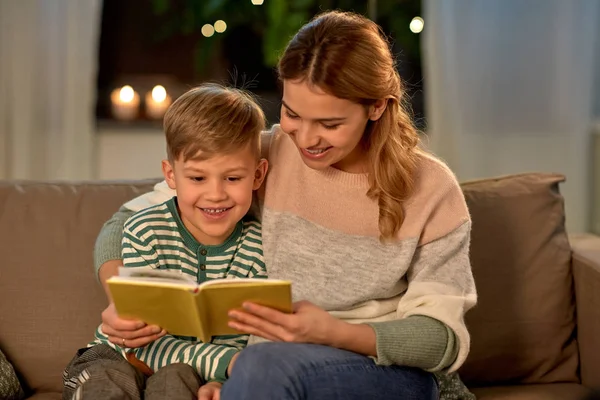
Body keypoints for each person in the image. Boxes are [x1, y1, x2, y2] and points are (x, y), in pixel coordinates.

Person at [94, 10, 477, 400]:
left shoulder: (431, 189)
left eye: (329, 123)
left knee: (264, 365)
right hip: (264, 370)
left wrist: (330, 332)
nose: (306, 138)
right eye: (292, 113)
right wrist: (125, 301)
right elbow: (126, 221)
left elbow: (441, 339)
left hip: (378, 372)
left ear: (376, 107)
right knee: (260, 367)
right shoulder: (266, 156)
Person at [63, 84, 269, 400]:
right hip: (118, 355)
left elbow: (246, 342)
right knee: (105, 382)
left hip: (189, 372)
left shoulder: (258, 248)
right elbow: (144, 342)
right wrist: (229, 364)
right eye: (198, 178)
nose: (215, 193)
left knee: (177, 381)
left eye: (233, 178)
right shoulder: (145, 231)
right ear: (170, 175)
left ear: (257, 175)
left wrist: (225, 381)